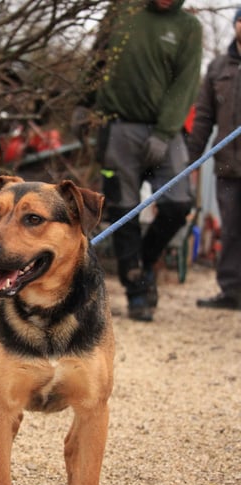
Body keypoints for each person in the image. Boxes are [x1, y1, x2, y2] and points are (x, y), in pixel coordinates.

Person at [72, 0, 202, 321]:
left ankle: (145, 259)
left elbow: (185, 84)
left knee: (178, 204)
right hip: (118, 126)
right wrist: (84, 103)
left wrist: (165, 131)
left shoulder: (188, 28)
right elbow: (99, 59)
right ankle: (137, 290)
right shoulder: (122, 11)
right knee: (123, 208)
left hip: (166, 132)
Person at [187, 8, 241, 311]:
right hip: (228, 165)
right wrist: (191, 159)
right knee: (231, 229)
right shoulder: (218, 67)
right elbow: (204, 116)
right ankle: (232, 291)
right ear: (235, 25)